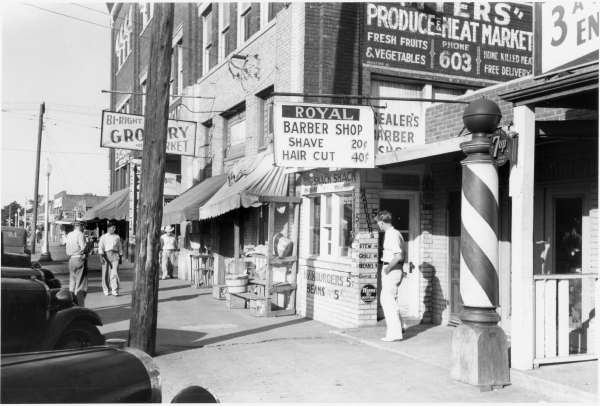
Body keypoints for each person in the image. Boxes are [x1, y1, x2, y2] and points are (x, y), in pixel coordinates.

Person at [376, 210, 405, 342]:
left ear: (382, 222)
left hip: (392, 269)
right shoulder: (393, 233)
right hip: (392, 269)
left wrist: (387, 268)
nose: (378, 226)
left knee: (388, 301)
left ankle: (395, 333)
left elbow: (399, 255)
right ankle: (401, 326)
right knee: (389, 299)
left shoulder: (392, 234)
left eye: (378, 223)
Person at [64, 221, 88, 306]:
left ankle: (70, 302)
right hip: (78, 258)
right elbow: (83, 248)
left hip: (71, 259)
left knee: (72, 282)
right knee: (80, 284)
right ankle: (80, 305)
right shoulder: (80, 234)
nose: (83, 228)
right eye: (83, 226)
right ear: (80, 226)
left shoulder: (69, 234)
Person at [98, 220, 122, 296]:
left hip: (115, 255)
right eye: (112, 228)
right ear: (108, 228)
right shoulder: (103, 237)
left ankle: (114, 289)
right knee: (105, 273)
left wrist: (120, 256)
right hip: (105, 255)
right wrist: (101, 257)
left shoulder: (117, 237)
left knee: (114, 272)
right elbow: (100, 247)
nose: (114, 229)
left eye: (114, 228)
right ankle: (106, 289)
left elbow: (119, 247)